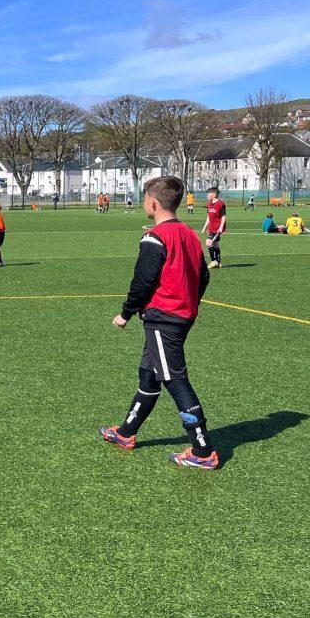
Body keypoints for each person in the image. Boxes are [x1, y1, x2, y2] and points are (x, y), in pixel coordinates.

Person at [99, 176, 217, 470]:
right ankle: (126, 432)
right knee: (150, 374)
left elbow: (142, 282)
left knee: (174, 378)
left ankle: (203, 451)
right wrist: (190, 302)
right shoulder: (189, 234)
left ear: (152, 203)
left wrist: (126, 313)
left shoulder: (154, 237)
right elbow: (203, 275)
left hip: (164, 318)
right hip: (179, 315)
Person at [202, 186, 226, 269]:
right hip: (211, 228)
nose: (207, 196)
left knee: (208, 242)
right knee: (216, 245)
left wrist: (221, 228)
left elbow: (223, 217)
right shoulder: (209, 204)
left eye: (208, 195)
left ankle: (213, 261)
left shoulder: (220, 204)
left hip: (217, 228)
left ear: (214, 195)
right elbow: (209, 216)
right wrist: (205, 227)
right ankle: (218, 262)